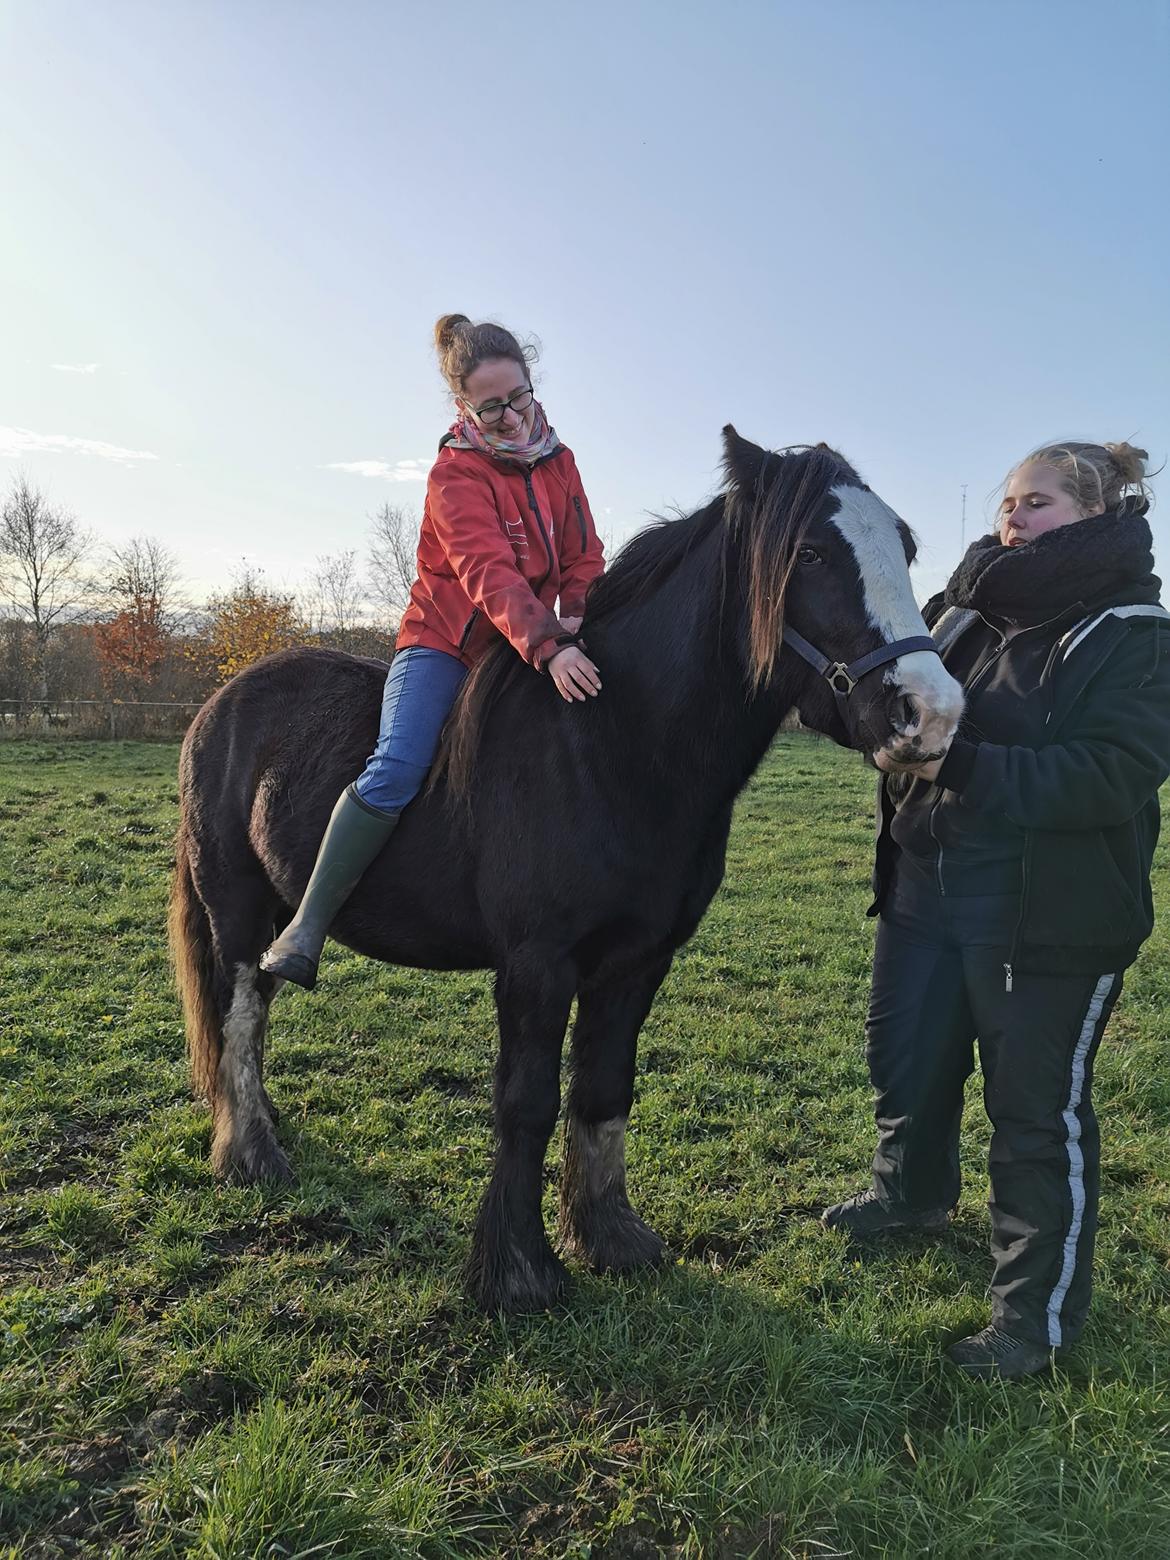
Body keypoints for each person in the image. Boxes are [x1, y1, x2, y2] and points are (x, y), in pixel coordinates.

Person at [822, 439, 1170, 1378]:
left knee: (1032, 1115)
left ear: (1096, 515)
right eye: (1010, 502)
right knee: (908, 1062)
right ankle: (909, 1197)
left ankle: (1032, 1323)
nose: (1013, 518)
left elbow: (1110, 775)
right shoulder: (964, 608)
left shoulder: (1132, 631)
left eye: (1040, 504)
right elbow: (889, 687)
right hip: (927, 881)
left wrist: (954, 764)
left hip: (1046, 910)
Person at [260, 314, 605, 990]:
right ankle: (307, 925)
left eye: (520, 397)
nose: (510, 417)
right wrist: (549, 646)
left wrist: (579, 623)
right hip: (447, 643)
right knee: (396, 766)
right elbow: (487, 573)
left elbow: (582, 557)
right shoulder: (455, 476)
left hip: (531, 640)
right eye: (492, 406)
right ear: (463, 406)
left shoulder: (560, 462)